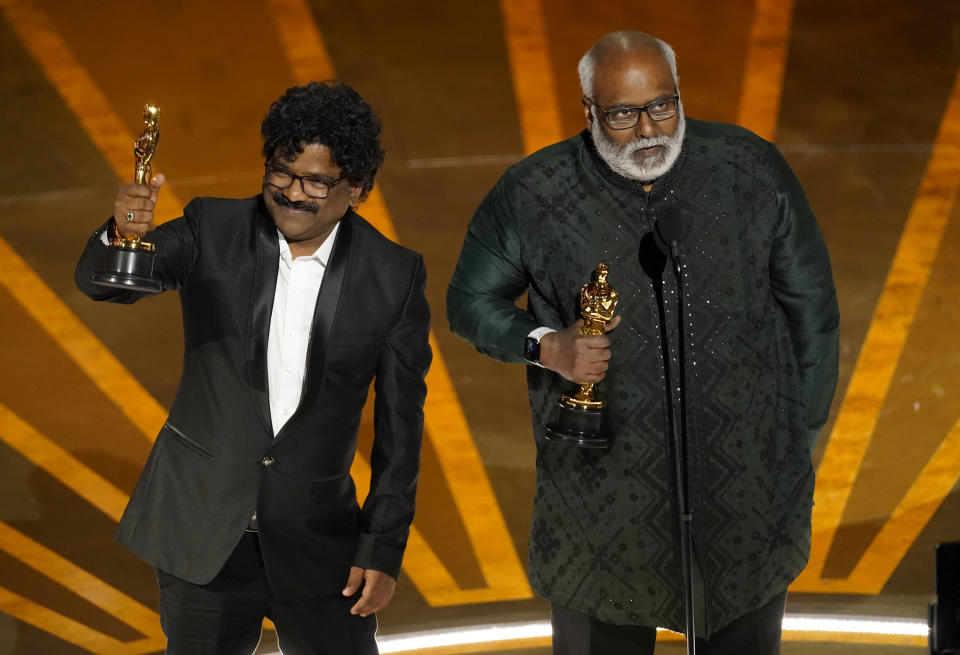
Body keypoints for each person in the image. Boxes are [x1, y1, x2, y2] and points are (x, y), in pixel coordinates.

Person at [447, 31, 839, 654]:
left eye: (663, 106)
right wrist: (547, 345)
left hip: (743, 501)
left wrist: (793, 442)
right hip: (600, 505)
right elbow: (468, 303)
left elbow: (812, 315)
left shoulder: (749, 168)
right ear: (590, 112)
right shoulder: (533, 191)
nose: (649, 130)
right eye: (624, 114)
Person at [75, 81, 432, 655]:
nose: (293, 194)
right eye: (282, 174)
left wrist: (383, 546)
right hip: (203, 532)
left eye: (316, 181)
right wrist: (123, 236)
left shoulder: (393, 276)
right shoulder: (209, 229)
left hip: (321, 547)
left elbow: (402, 426)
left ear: (357, 189)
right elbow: (106, 287)